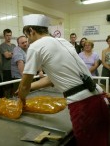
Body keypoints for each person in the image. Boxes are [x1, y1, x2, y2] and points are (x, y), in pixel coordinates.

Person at [16, 14, 110, 146]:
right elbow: (51, 78)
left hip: (84, 105)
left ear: (31, 31)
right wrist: (30, 87)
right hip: (100, 98)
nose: (28, 39)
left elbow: (25, 83)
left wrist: (22, 97)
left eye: (27, 35)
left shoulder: (35, 46)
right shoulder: (63, 41)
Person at [0, 29, 16, 98]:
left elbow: (17, 55)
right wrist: (11, 54)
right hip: (6, 69)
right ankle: (6, 101)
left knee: (13, 86)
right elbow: (7, 56)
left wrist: (10, 53)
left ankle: (12, 100)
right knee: (6, 87)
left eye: (10, 35)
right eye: (7, 35)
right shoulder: (2, 45)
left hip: (14, 69)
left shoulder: (14, 45)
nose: (9, 37)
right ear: (4, 36)